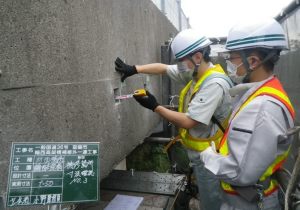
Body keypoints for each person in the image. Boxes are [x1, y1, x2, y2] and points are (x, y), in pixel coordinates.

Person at [115, 29, 233, 210]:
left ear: (198, 57)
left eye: (181, 60)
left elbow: (188, 121)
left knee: (212, 203)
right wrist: (133, 69)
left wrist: (155, 106)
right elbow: (163, 68)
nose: (179, 66)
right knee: (205, 196)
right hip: (199, 153)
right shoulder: (195, 72)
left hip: (212, 159)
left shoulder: (214, 84)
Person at [200, 18, 296, 210]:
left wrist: (207, 155)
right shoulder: (262, 92)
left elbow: (239, 172)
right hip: (245, 198)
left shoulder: (262, 107)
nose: (229, 63)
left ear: (252, 61)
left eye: (232, 58)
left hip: (248, 202)